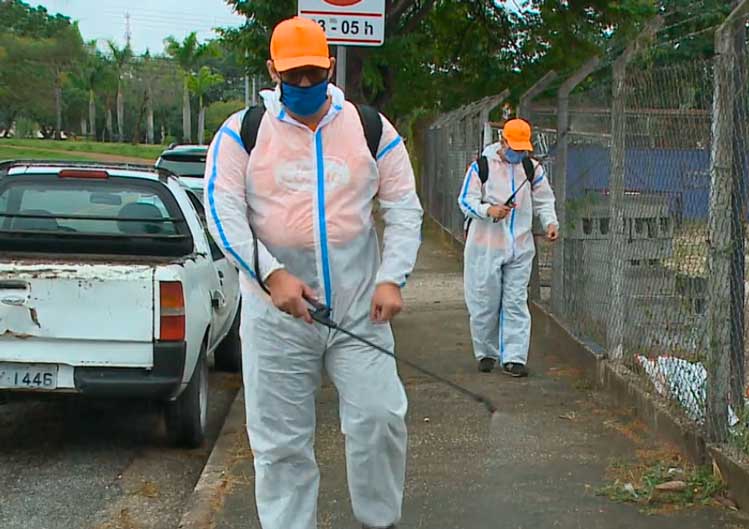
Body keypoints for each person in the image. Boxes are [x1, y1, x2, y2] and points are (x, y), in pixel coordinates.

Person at [203, 17, 422, 529]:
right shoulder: (243, 132)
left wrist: (393, 277)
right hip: (276, 318)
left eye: (313, 74)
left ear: (329, 67)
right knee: (280, 445)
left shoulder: (369, 127)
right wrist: (269, 274)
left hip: (358, 312)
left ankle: (379, 520)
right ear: (273, 71)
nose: (304, 85)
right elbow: (221, 208)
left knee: (380, 418)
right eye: (293, 75)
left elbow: (403, 207)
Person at [458, 118, 559, 378]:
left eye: (523, 149)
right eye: (514, 147)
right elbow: (465, 201)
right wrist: (488, 210)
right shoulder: (482, 167)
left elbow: (544, 200)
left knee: (515, 301)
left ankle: (514, 357)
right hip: (486, 245)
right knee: (485, 301)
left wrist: (550, 222)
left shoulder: (531, 169)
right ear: (503, 142)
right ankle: (486, 352)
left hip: (521, 246)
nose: (518, 153)